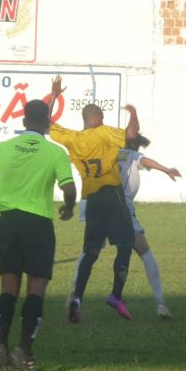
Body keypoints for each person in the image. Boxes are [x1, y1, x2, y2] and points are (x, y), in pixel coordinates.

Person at [0, 98, 77, 371]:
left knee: (8, 288)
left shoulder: (5, 147)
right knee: (35, 290)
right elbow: (69, 189)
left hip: (9, 223)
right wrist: (69, 207)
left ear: (23, 121)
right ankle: (24, 351)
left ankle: (1, 344)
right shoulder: (55, 152)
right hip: (38, 225)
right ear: (47, 123)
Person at [47, 75, 138, 323]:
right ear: (96, 119)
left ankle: (77, 298)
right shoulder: (103, 132)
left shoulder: (72, 139)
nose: (103, 121)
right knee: (126, 244)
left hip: (92, 200)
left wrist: (53, 96)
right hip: (112, 194)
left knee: (91, 251)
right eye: (102, 117)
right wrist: (133, 113)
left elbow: (46, 123)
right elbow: (131, 133)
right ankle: (116, 295)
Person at [68, 133, 182, 318]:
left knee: (90, 251)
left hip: (97, 204)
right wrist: (166, 169)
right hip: (121, 208)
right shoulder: (132, 155)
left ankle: (75, 296)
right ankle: (160, 304)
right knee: (144, 252)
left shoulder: (107, 152)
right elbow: (145, 160)